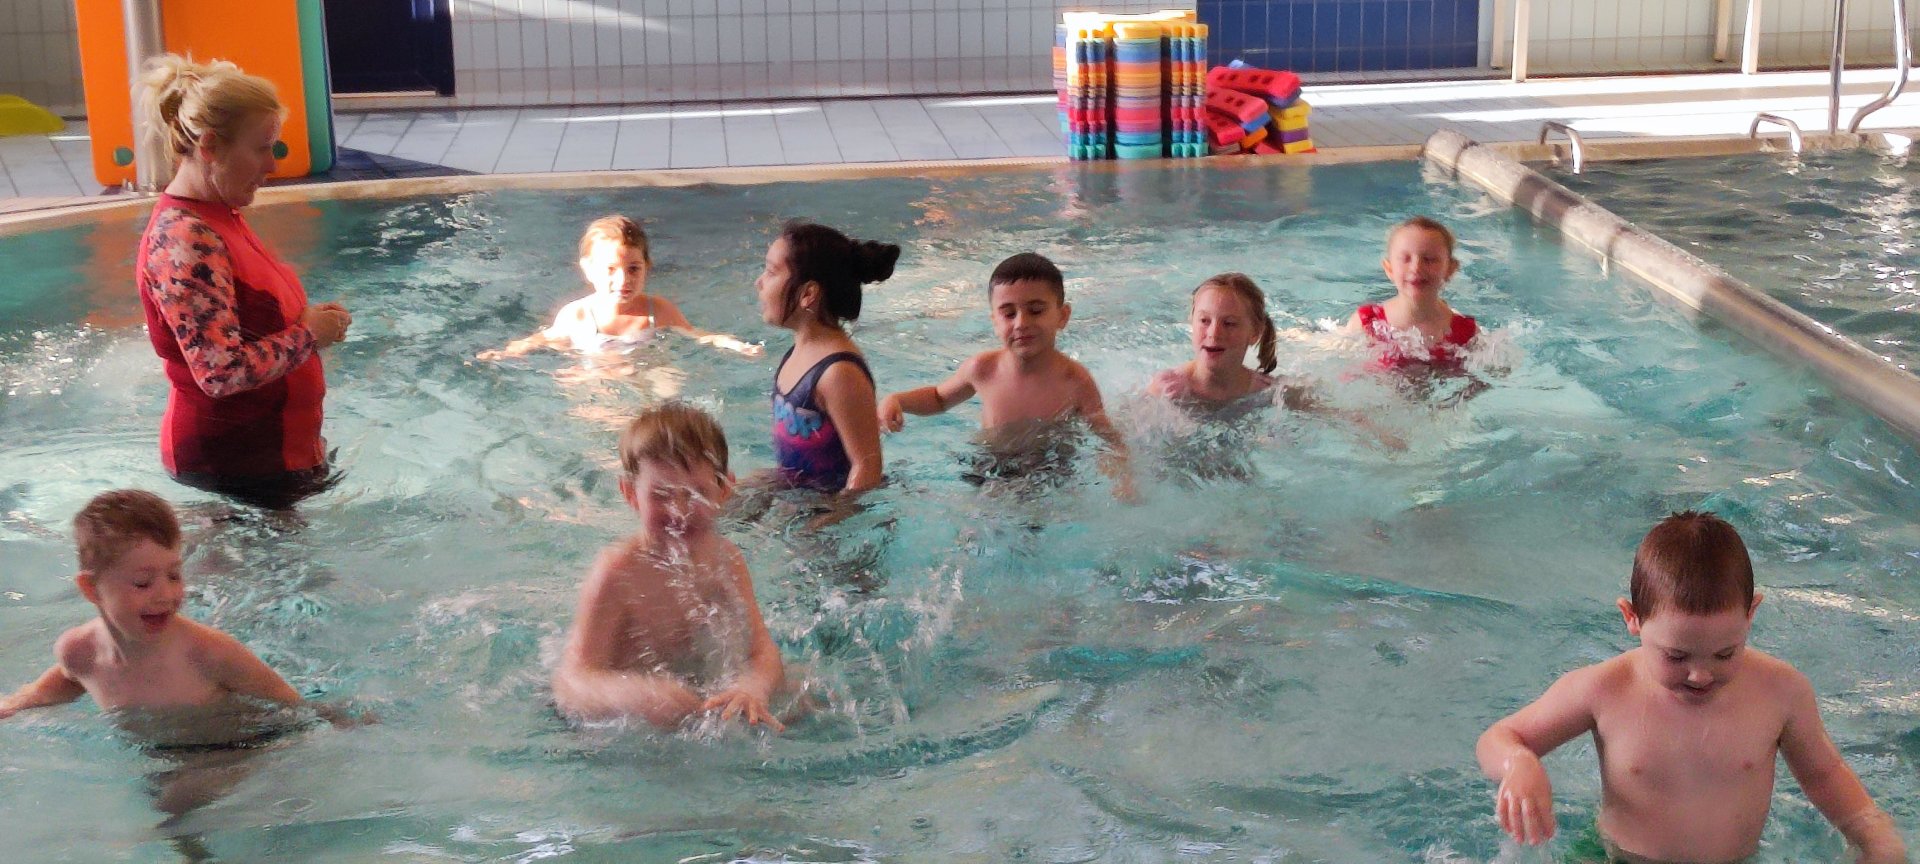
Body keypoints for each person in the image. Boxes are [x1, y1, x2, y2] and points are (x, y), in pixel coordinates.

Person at [1476, 511, 1906, 864]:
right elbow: (1499, 737)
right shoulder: (1603, 690)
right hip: (1617, 858)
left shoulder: (1781, 691)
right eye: (1676, 656)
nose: (1700, 675)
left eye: (1725, 653)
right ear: (1632, 618)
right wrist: (1518, 763)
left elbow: (1824, 774)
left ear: (1751, 613)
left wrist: (1874, 836)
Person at [134, 55, 353, 510]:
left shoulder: (219, 215)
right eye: (262, 148)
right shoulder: (185, 238)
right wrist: (308, 334)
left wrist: (306, 322)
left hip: (269, 456)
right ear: (210, 146)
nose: (272, 165)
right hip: (231, 468)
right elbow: (220, 372)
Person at [552, 404, 791, 730]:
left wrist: (753, 687)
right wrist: (639, 695)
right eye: (660, 495)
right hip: (624, 721)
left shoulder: (727, 559)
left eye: (696, 493)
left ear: (724, 491)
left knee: (804, 694)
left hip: (694, 693)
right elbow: (570, 683)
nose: (679, 510)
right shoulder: (619, 571)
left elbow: (761, 650)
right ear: (630, 493)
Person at [0, 490, 305, 730]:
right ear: (92, 589)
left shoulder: (209, 653)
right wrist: (18, 703)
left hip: (234, 748)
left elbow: (294, 706)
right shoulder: (79, 651)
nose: (166, 595)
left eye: (174, 575)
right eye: (143, 583)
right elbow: (69, 678)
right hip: (161, 753)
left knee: (179, 792)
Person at [877, 253, 1135, 497]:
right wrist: (897, 400)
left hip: (1050, 470)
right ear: (994, 321)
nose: (1021, 323)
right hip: (989, 464)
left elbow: (1106, 437)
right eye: (1009, 314)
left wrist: (1123, 479)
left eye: (1036, 310)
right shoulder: (982, 369)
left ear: (1062, 316)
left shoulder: (1075, 381)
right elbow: (939, 398)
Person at [478, 215, 758, 359]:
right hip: (598, 377)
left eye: (633, 269)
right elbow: (543, 338)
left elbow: (697, 335)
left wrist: (733, 344)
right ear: (588, 269)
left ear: (647, 267)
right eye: (610, 270)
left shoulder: (658, 310)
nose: (623, 280)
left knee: (667, 383)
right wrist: (508, 352)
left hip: (646, 376)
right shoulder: (578, 315)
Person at [759, 221, 895, 494]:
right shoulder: (797, 353)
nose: (759, 282)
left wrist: (833, 516)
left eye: (771, 272)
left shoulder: (839, 373)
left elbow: (867, 468)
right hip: (797, 490)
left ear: (808, 294)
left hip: (831, 505)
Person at [1344, 216, 1477, 369]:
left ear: (1450, 269)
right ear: (1389, 269)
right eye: (1405, 259)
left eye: (1429, 259)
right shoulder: (1367, 324)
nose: (1416, 268)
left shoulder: (1467, 334)